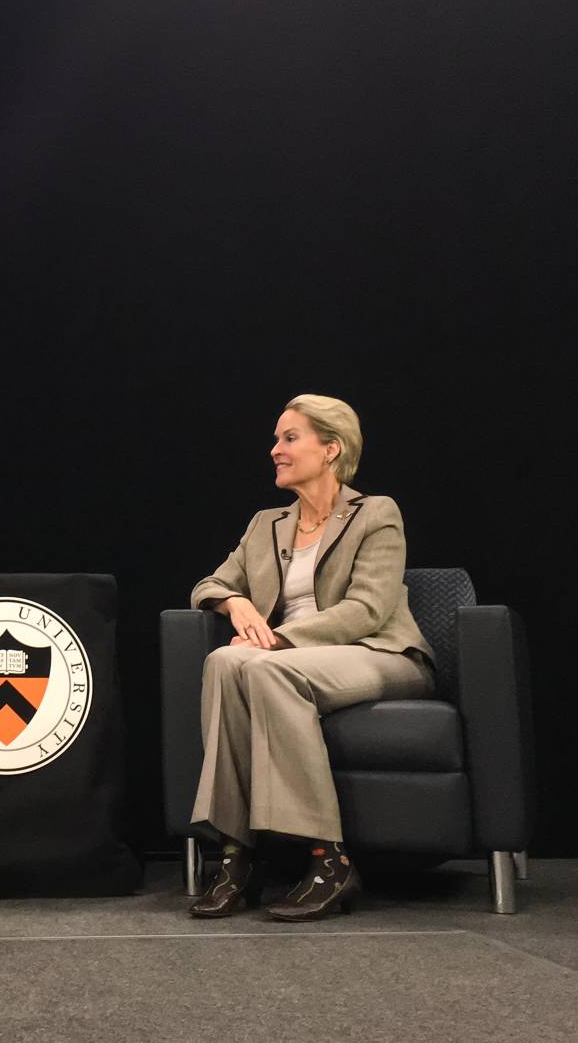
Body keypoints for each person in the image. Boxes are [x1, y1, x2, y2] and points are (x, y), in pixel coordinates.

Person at [185, 394, 435, 922]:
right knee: (223, 663)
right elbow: (208, 583)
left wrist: (276, 639)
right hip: (287, 660)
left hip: (379, 655)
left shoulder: (376, 513)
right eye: (276, 439)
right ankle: (236, 853)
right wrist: (234, 602)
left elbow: (367, 609)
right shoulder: (265, 524)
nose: (275, 449)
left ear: (331, 449)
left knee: (262, 666)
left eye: (289, 438)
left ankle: (329, 858)